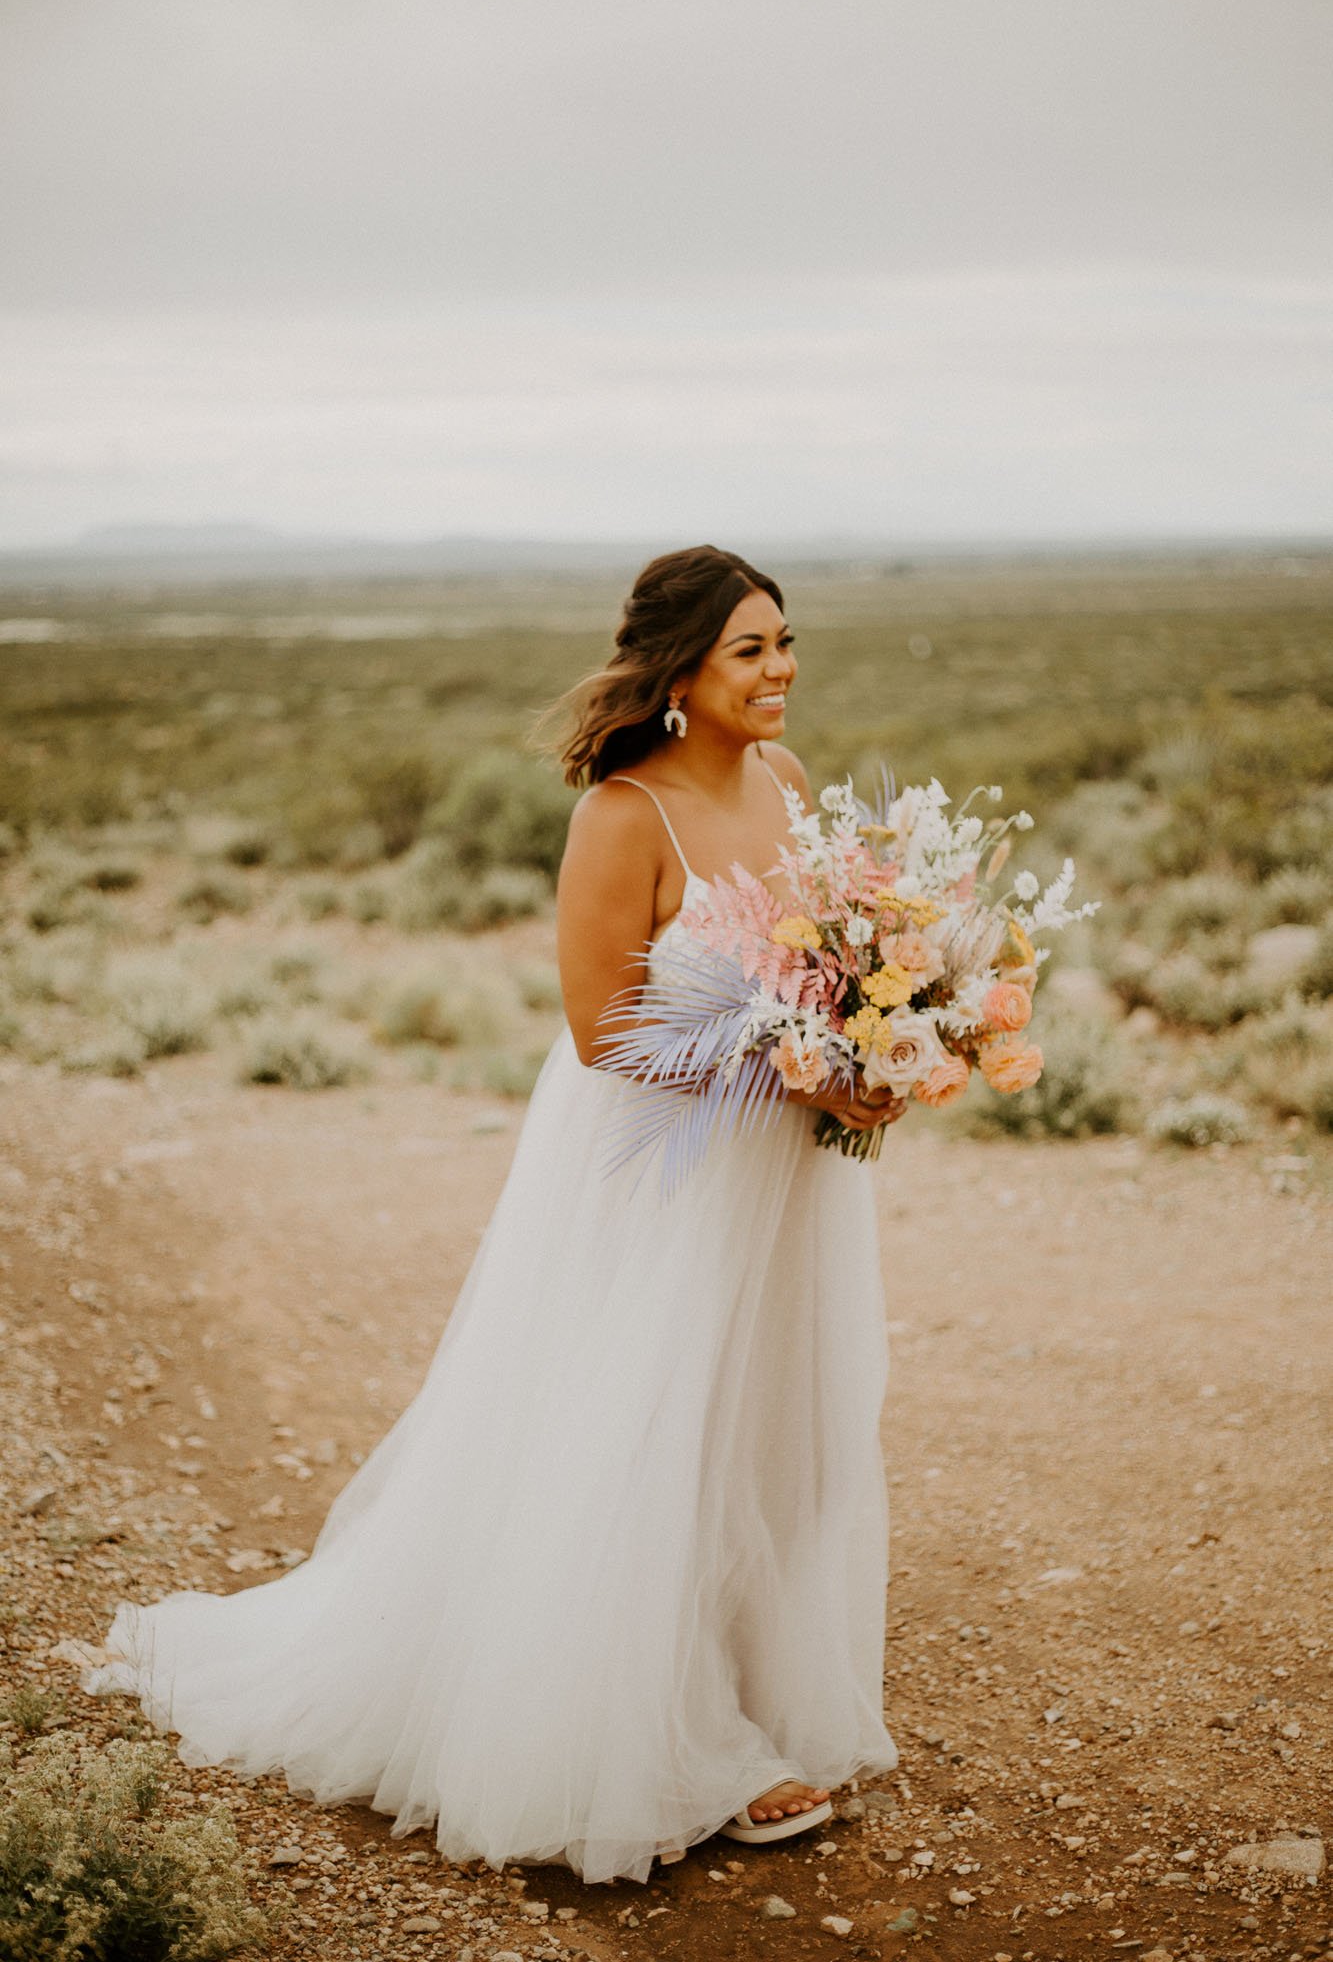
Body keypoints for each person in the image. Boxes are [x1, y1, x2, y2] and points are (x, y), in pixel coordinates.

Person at [83, 544, 906, 1887]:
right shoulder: (624, 815)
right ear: (680, 670)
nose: (781, 671)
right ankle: (668, 1737)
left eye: (785, 641)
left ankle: (747, 1684)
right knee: (644, 1423)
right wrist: (790, 1060)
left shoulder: (789, 786)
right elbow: (600, 1031)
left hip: (781, 1170)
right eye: (749, 649)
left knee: (772, 1421)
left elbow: (837, 976)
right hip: (659, 1169)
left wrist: (877, 1060)